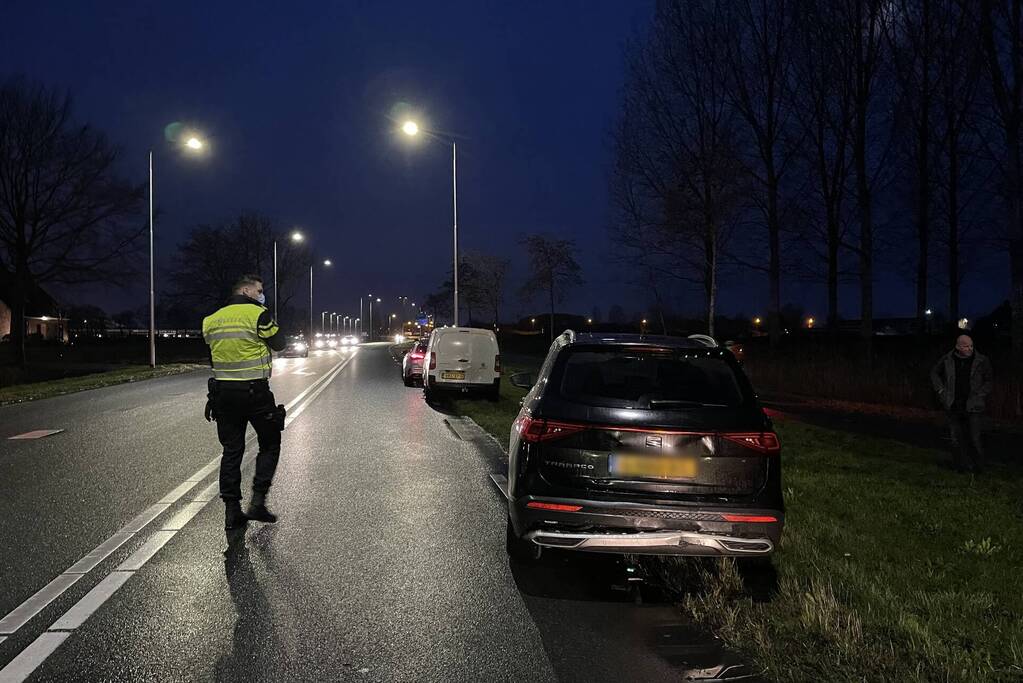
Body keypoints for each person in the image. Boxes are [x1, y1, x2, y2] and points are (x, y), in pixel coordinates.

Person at [203, 274, 287, 529]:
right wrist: (263, 312)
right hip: (255, 392)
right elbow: (280, 343)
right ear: (247, 290)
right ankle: (257, 502)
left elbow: (215, 355)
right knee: (270, 443)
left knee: (232, 451)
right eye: (259, 290)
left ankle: (232, 512)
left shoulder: (211, 319)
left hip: (224, 395)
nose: (262, 294)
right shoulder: (258, 315)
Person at [929, 334, 994, 473]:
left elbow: (989, 380)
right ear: (958, 347)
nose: (970, 349)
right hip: (953, 404)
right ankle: (961, 466)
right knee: (956, 438)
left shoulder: (981, 360)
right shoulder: (948, 359)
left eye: (971, 345)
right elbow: (934, 372)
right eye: (966, 346)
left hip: (973, 405)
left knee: (974, 438)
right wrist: (941, 391)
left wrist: (980, 394)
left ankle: (979, 468)